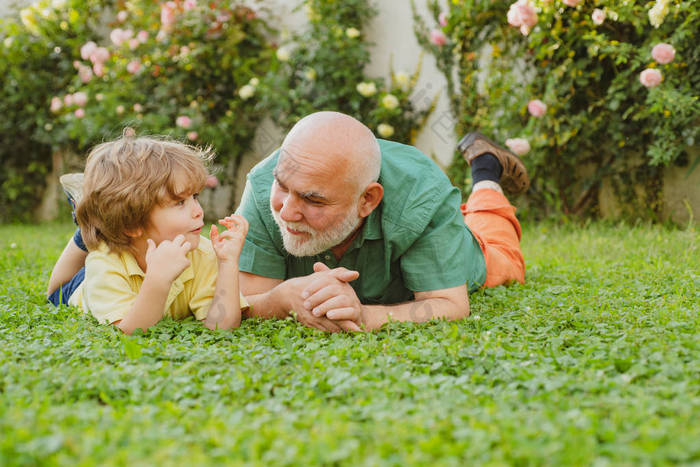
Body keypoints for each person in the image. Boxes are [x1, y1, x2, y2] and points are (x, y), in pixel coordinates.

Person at [236, 111, 528, 332]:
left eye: (313, 200)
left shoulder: (421, 194)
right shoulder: (263, 185)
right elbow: (247, 300)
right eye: (283, 186)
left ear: (368, 201)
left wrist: (363, 315)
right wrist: (282, 299)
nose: (286, 212)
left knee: (502, 251)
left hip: (463, 243)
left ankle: (486, 172)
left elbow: (449, 304)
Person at [46, 130, 249, 335]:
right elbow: (130, 331)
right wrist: (158, 280)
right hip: (80, 286)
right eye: (179, 202)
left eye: (194, 196)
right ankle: (89, 222)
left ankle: (100, 212)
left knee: (108, 223)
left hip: (127, 229)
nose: (199, 211)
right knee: (56, 290)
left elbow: (221, 327)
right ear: (133, 225)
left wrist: (227, 263)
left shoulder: (201, 252)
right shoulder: (105, 262)